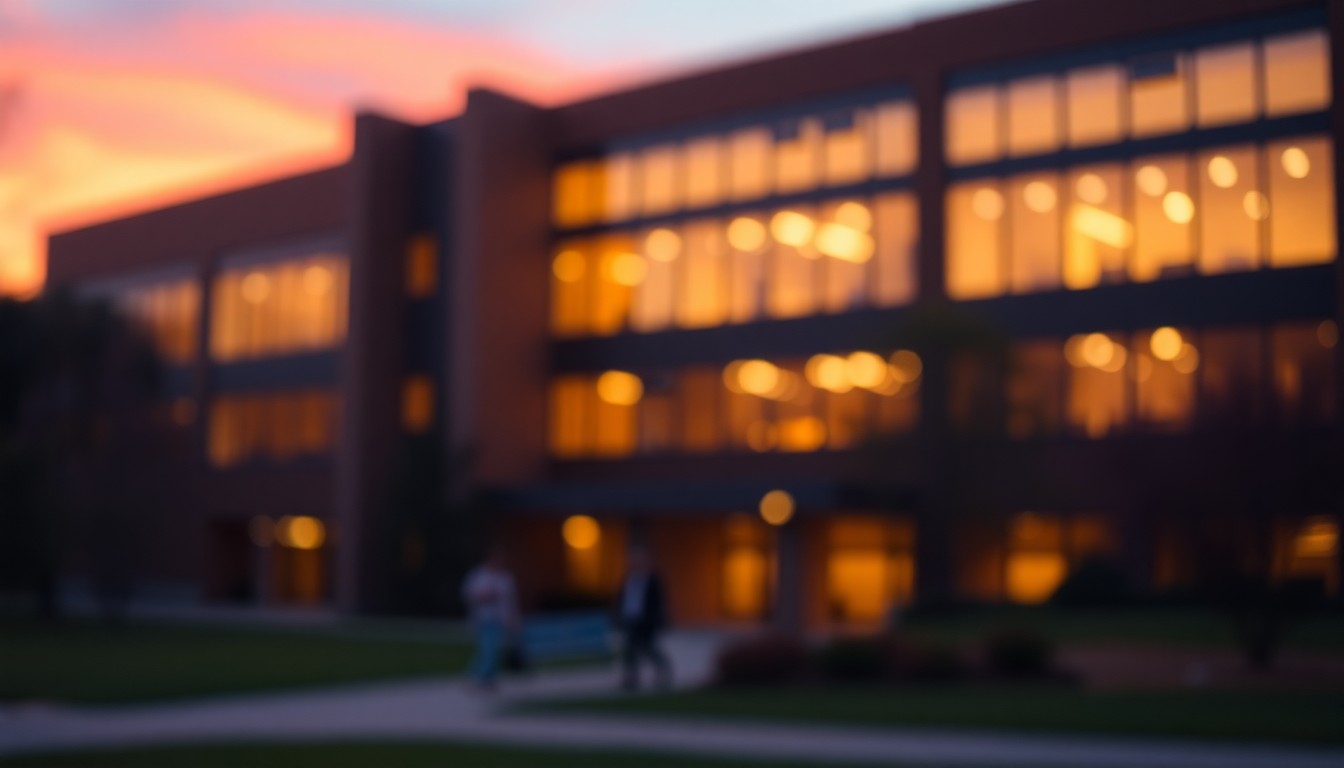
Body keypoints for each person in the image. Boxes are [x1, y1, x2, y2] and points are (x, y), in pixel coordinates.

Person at [461, 548, 518, 691]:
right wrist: (485, 596)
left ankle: (484, 677)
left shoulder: (504, 578)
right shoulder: (479, 576)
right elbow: (469, 595)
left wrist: (512, 618)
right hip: (484, 618)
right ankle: (482, 677)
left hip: (499, 619)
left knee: (492, 649)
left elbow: (510, 601)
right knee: (488, 648)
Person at [615, 548, 672, 691]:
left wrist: (657, 620)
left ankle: (662, 671)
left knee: (648, 648)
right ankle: (632, 679)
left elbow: (658, 602)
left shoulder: (652, 580)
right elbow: (622, 599)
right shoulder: (627, 579)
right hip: (630, 619)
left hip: (646, 622)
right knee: (629, 650)